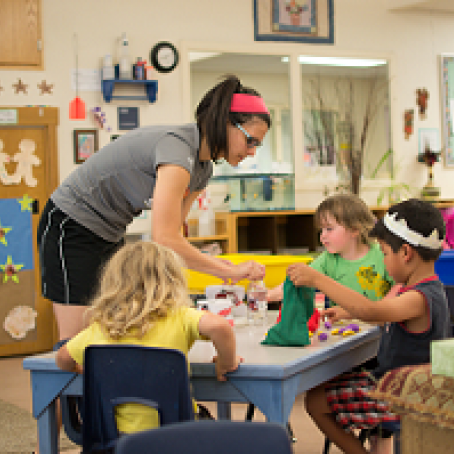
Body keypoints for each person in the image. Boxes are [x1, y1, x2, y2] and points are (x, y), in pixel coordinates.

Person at [37, 74, 270, 343]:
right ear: (225, 124)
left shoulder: (202, 169)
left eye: (258, 145)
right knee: (75, 340)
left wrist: (220, 264)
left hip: (108, 232)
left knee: (106, 329)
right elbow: (164, 237)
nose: (252, 152)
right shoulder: (177, 149)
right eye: (250, 141)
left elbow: (172, 241)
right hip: (70, 223)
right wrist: (226, 271)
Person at [287, 198, 451, 454]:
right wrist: (346, 311)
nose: (383, 261)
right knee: (320, 394)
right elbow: (380, 313)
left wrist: (318, 279)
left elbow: (372, 311)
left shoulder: (419, 297)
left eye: (385, 254)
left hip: (404, 396)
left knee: (316, 402)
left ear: (406, 253)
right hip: (403, 386)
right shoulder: (429, 289)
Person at [56, 241, 241, 433]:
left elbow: (62, 359)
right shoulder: (179, 316)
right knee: (220, 430)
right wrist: (226, 362)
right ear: (172, 279)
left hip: (118, 440)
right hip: (176, 435)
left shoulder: (103, 327)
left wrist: (84, 369)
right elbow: (220, 326)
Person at [268, 193, 397, 311]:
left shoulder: (381, 253)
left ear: (354, 229)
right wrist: (265, 296)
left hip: (379, 326)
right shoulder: (327, 259)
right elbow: (296, 281)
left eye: (329, 229)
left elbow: (400, 286)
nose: (322, 236)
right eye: (321, 230)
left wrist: (380, 311)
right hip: (344, 328)